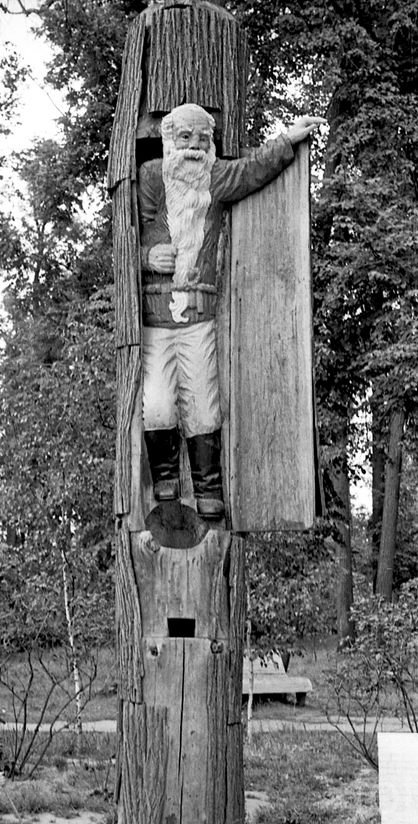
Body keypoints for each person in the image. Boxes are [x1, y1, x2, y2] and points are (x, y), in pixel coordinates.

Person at [138, 103, 325, 519]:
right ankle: (164, 477)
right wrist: (148, 256)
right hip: (154, 316)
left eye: (202, 140)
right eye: (184, 138)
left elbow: (252, 169)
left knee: (204, 403)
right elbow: (123, 240)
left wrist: (287, 140)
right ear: (169, 142)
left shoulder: (216, 177)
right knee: (156, 403)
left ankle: (207, 486)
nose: (193, 147)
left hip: (199, 314)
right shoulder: (151, 177)